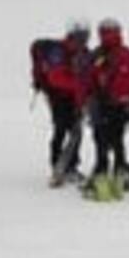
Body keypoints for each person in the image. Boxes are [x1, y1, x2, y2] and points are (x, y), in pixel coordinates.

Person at [86, 18, 129, 193]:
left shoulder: (98, 55)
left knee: (101, 140)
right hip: (124, 106)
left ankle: (101, 174)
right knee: (118, 140)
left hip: (103, 104)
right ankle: (120, 173)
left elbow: (88, 81)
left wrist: (84, 102)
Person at [31, 20, 93, 187]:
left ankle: (70, 166)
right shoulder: (58, 52)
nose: (84, 40)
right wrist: (77, 83)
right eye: (81, 37)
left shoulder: (84, 52)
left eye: (86, 37)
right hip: (59, 98)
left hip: (76, 98)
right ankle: (57, 165)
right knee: (61, 129)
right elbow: (55, 77)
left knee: (76, 131)